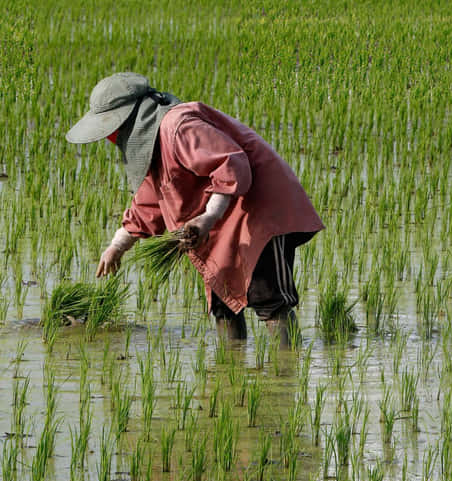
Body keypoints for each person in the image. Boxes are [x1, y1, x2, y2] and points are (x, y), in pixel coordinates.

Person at [66, 72, 324, 342]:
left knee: (269, 298)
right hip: (221, 222)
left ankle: (287, 366)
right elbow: (148, 202)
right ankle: (229, 366)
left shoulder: (179, 127)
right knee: (223, 304)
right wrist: (117, 246)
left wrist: (209, 215)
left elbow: (231, 165)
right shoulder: (152, 145)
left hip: (258, 210)